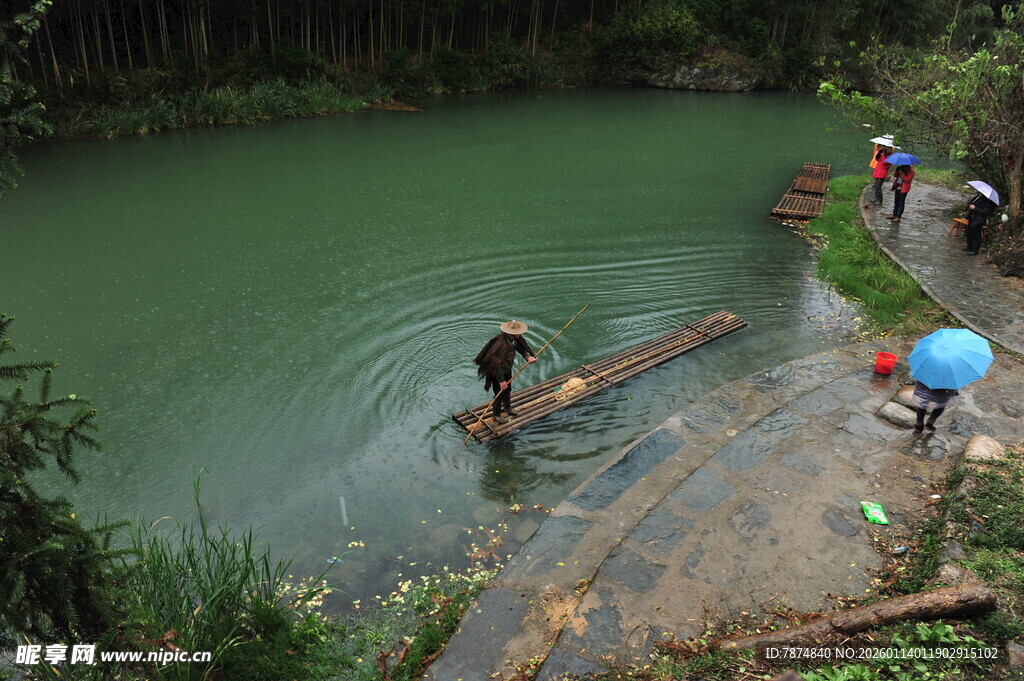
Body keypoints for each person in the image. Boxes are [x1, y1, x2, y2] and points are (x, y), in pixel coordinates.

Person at [474, 320, 536, 423]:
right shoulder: (500, 343)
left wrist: (528, 357)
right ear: (509, 333)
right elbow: (495, 365)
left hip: (507, 369)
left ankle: (507, 408)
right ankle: (496, 415)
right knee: (499, 393)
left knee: (507, 390)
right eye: (516, 333)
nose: (519, 334)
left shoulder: (516, 339)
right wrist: (501, 381)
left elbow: (521, 349)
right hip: (496, 372)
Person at [964, 192, 997, 256]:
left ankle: (975, 250)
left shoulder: (987, 201)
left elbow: (985, 211)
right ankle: (969, 247)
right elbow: (971, 203)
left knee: (977, 235)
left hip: (979, 219)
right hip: (972, 217)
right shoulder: (977, 197)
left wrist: (975, 208)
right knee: (969, 232)